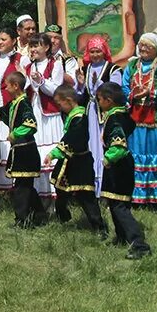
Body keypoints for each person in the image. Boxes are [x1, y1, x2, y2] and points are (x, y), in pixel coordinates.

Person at [94, 82, 153, 259]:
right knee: (114, 203)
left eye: (100, 99)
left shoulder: (115, 119)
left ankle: (139, 244)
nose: (98, 102)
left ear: (109, 100)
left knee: (120, 206)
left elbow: (119, 145)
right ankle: (121, 237)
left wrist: (108, 158)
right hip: (120, 166)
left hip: (118, 167)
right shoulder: (121, 114)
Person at [122, 33, 157, 207]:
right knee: (138, 155)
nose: (143, 49)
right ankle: (140, 196)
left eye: (148, 47)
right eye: (141, 46)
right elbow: (125, 87)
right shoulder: (132, 66)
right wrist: (132, 94)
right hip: (137, 119)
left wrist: (152, 93)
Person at [50, 84, 107, 231]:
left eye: (60, 103)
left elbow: (72, 137)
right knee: (60, 190)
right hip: (68, 161)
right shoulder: (71, 115)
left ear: (68, 100)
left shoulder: (80, 117)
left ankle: (98, 227)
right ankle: (63, 218)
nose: (59, 107)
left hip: (81, 162)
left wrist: (55, 153)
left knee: (86, 196)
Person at [0, 70, 46, 227]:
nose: (5, 89)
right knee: (25, 186)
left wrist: (15, 133)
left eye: (7, 86)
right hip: (19, 151)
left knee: (21, 188)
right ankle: (39, 215)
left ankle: (22, 219)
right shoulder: (13, 103)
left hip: (25, 151)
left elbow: (31, 124)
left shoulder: (24, 104)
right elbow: (1, 112)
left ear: (16, 86)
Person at [76, 35, 122, 194]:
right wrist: (81, 85)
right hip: (91, 113)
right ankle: (92, 183)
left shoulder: (113, 69)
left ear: (104, 52)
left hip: (105, 113)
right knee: (91, 146)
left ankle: (107, 185)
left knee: (104, 145)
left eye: (98, 51)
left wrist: (99, 84)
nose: (95, 55)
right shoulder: (86, 69)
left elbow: (115, 91)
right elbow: (83, 94)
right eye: (92, 51)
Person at [24, 33, 64, 203]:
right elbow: (27, 89)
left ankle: (57, 197)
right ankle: (41, 196)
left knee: (51, 151)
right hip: (35, 113)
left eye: (37, 45)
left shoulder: (55, 65)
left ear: (46, 47)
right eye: (31, 46)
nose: (33, 49)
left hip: (50, 115)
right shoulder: (28, 67)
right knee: (37, 154)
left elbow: (56, 90)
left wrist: (41, 81)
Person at [0, 27, 22, 193]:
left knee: (12, 142)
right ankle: (3, 186)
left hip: (14, 106)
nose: (0, 42)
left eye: (3, 39)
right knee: (0, 144)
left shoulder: (20, 60)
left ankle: (16, 183)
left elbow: (25, 83)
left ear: (13, 41)